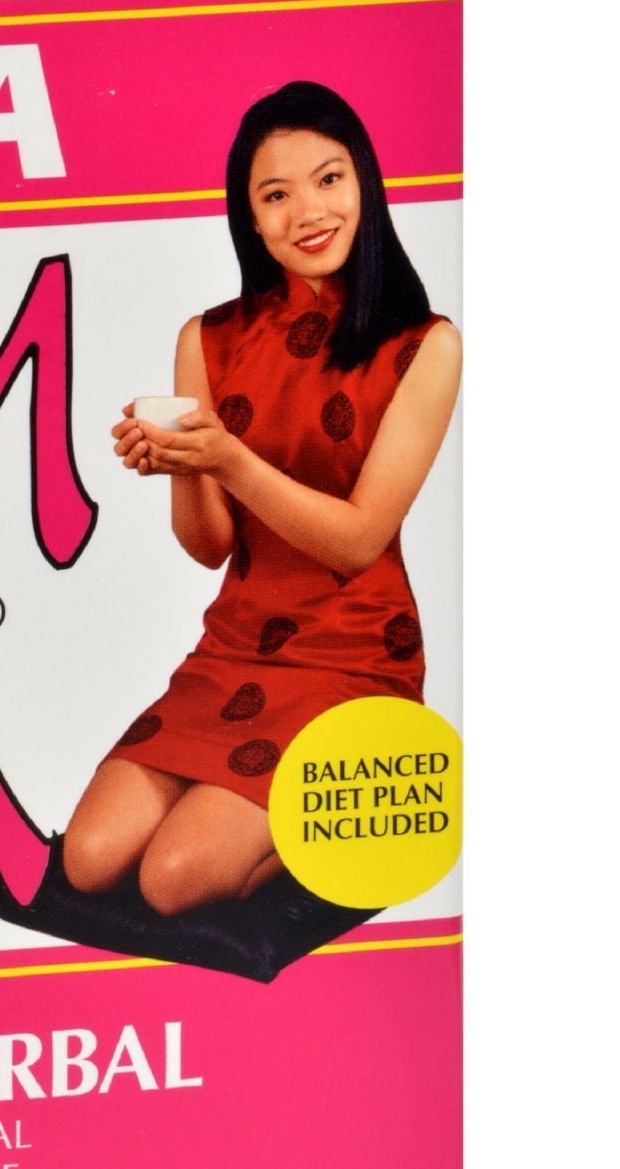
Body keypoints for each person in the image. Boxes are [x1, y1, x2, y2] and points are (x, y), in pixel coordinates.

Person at [62, 80, 461, 916]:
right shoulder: (208, 339)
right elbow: (209, 545)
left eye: (329, 179)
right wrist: (180, 461)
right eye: (276, 195)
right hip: (236, 647)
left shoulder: (425, 345)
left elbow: (358, 540)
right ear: (249, 216)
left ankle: (347, 818)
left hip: (353, 653)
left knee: (172, 880)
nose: (308, 212)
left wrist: (229, 459)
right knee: (89, 862)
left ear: (364, 184)